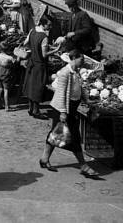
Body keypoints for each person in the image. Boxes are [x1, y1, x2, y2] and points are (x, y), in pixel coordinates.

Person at [39, 49, 100, 178]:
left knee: (56, 134)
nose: (83, 62)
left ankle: (44, 159)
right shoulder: (65, 73)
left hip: (71, 108)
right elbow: (61, 93)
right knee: (73, 136)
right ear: (74, 58)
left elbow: (79, 88)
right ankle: (83, 166)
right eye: (81, 59)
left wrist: (86, 100)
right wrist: (62, 112)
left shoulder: (76, 72)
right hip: (62, 108)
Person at [22, 16, 57, 119]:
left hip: (31, 62)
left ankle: (30, 108)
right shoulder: (44, 37)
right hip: (39, 65)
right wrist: (56, 50)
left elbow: (25, 44)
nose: (50, 27)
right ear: (43, 24)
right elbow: (45, 54)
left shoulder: (32, 31)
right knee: (38, 87)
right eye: (49, 25)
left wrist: (34, 49)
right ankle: (36, 111)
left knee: (30, 86)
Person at [0, 41, 16, 112]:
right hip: (6, 74)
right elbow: (15, 63)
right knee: (6, 90)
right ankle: (7, 107)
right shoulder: (10, 58)